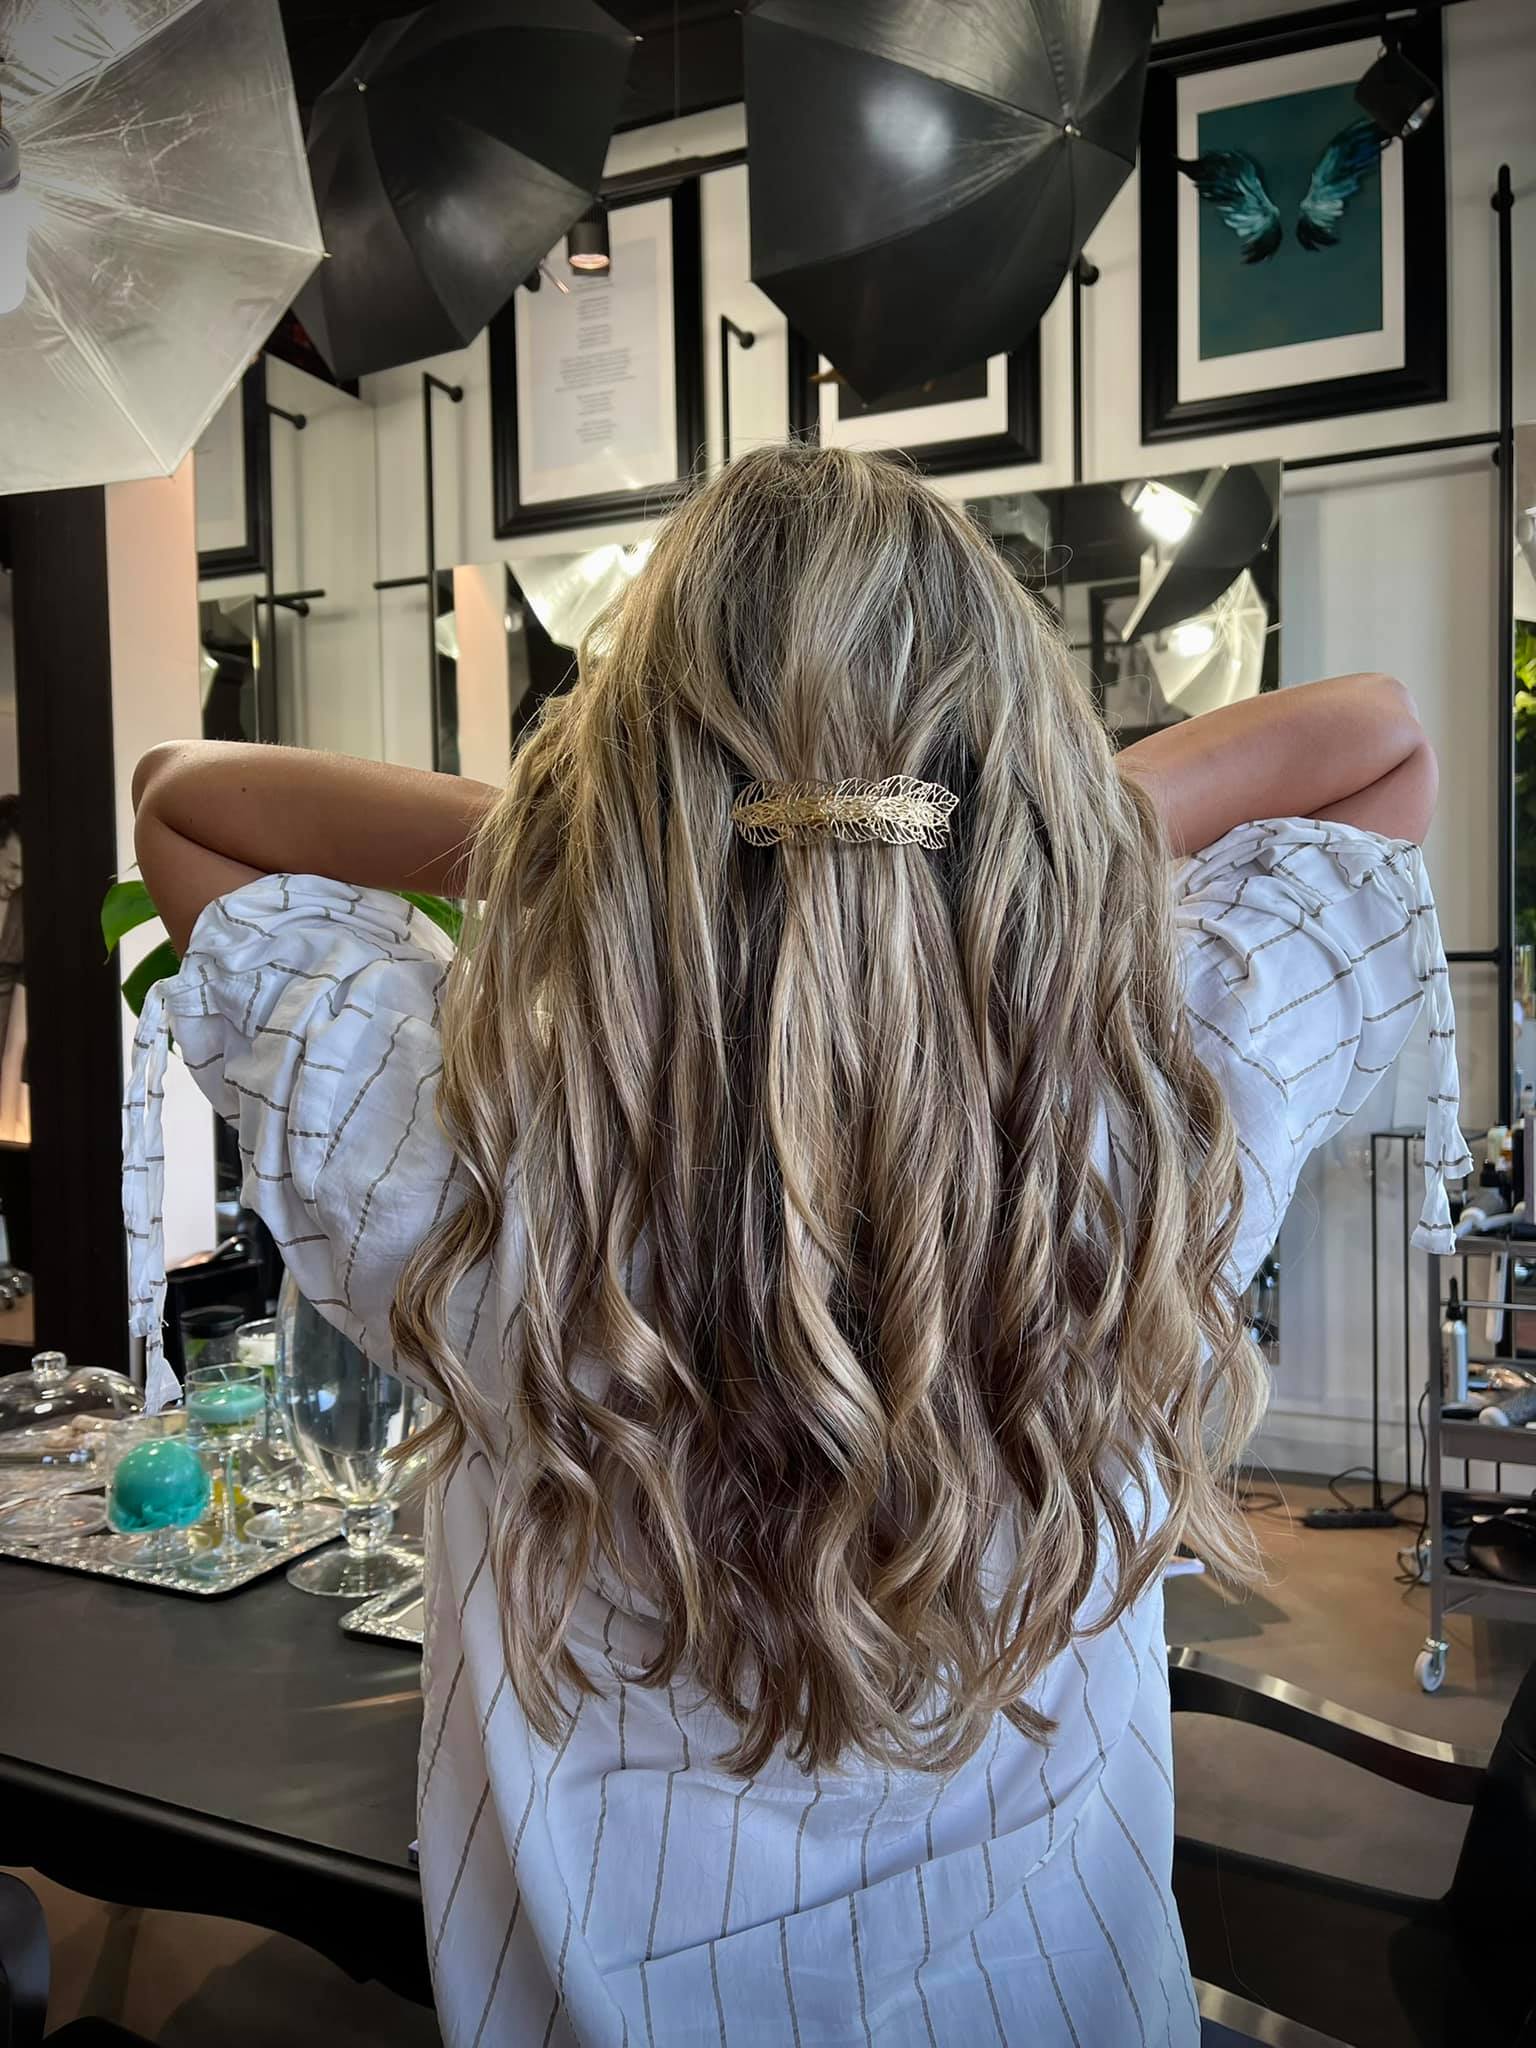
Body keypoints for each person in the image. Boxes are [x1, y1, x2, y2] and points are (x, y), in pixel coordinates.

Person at [125, 446, 1469, 2048]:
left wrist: (626, 852)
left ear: (624, 773)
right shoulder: (1147, 1116)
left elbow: (184, 807)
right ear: (1013, 750)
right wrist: (1000, 840)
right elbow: (1379, 742)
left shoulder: (461, 1161)